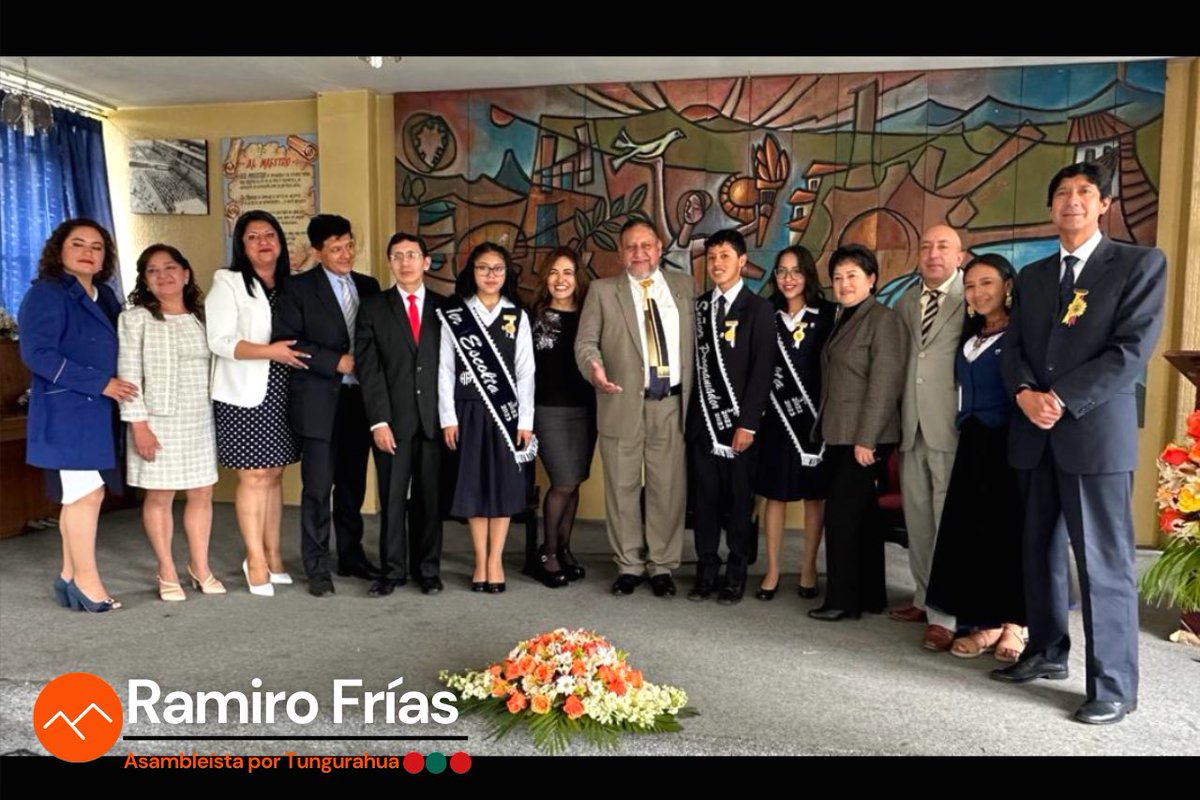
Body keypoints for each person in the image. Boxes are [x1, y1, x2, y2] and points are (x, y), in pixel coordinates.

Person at [994, 162, 1167, 725]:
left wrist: (1060, 399)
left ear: (1103, 205)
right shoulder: (1037, 275)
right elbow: (1013, 346)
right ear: (1052, 208)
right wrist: (1024, 394)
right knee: (1038, 551)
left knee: (1103, 564)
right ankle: (1046, 652)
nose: (1072, 200)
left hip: (1092, 436)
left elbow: (1129, 352)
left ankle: (1114, 686)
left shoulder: (1139, 265)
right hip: (1034, 434)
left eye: (1084, 192)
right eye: (1062, 192)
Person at [19, 219, 136, 612]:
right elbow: (37, 355)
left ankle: (70, 576)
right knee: (86, 494)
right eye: (78, 243)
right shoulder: (47, 293)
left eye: (97, 246)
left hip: (98, 411)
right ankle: (88, 583)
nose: (88, 251)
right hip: (67, 408)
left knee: (82, 495)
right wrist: (99, 383)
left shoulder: (103, 294)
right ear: (60, 250)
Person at [575, 220, 696, 598]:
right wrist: (594, 370)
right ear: (621, 251)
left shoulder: (685, 288)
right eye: (631, 247)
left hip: (672, 403)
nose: (639, 253)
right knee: (622, 486)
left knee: (667, 487)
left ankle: (662, 565)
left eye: (646, 245)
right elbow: (585, 342)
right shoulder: (602, 291)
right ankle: (628, 564)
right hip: (621, 400)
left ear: (660, 248)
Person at [273, 214, 381, 597]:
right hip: (319, 400)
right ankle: (317, 566)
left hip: (360, 401)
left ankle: (351, 555)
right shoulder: (298, 288)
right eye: (336, 248)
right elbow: (287, 343)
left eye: (349, 245)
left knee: (352, 486)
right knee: (318, 488)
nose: (346, 253)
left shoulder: (369, 285)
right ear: (317, 252)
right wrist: (335, 361)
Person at [925, 254, 1026, 662]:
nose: (977, 292)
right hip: (972, 444)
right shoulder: (970, 336)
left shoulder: (1021, 335)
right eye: (970, 286)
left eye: (986, 283)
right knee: (973, 533)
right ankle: (983, 624)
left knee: (1009, 534)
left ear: (1007, 286)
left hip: (1010, 445)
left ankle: (1016, 626)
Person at [207, 210, 307, 597]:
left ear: (280, 243)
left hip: (285, 389)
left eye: (270, 235)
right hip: (245, 393)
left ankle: (274, 552)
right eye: (253, 237)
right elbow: (219, 340)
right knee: (254, 476)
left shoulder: (291, 285)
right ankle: (255, 558)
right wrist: (270, 351)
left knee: (275, 475)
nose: (263, 242)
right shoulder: (228, 283)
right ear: (241, 245)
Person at [809, 244, 908, 622]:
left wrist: (866, 439)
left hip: (863, 437)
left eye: (852, 276)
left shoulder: (883, 319)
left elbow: (884, 384)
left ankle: (843, 600)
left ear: (872, 279)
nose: (844, 283)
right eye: (837, 277)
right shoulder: (846, 316)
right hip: (841, 433)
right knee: (864, 518)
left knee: (843, 517)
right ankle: (869, 595)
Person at [118, 244, 222, 601]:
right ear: (145, 280)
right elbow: (129, 376)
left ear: (186, 273)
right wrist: (138, 425)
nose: (163, 275)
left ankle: (200, 566)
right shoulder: (136, 319)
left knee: (201, 493)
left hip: (199, 418)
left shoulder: (203, 316)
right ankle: (166, 568)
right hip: (157, 420)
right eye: (153, 270)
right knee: (161, 495)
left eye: (171, 267)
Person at [438, 243, 536, 593]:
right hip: (468, 412)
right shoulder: (457, 315)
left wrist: (525, 420)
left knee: (503, 487)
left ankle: (496, 560)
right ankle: (480, 559)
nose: (491, 275)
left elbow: (526, 371)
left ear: (507, 272)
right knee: (474, 487)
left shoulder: (517, 316)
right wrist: (448, 417)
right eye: (483, 268)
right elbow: (445, 369)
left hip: (507, 417)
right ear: (471, 272)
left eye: (497, 268)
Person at [685, 229, 774, 605]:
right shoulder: (699, 307)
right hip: (703, 425)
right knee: (704, 501)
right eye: (712, 256)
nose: (718, 263)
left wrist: (748, 424)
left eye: (725, 256)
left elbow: (762, 370)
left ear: (742, 261)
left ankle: (736, 572)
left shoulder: (760, 309)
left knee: (739, 502)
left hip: (741, 429)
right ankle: (706, 569)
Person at [889, 225, 967, 652]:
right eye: (925, 246)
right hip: (911, 426)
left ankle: (946, 614)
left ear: (960, 255)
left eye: (943, 246)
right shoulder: (905, 302)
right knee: (917, 519)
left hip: (950, 427)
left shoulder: (970, 300)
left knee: (945, 523)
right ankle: (922, 595)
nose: (933, 253)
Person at [356, 232, 446, 596]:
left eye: (412, 255)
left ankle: (428, 571)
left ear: (426, 262)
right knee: (393, 498)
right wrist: (378, 420)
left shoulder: (446, 308)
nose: (405, 262)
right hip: (391, 421)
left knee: (429, 498)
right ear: (389, 263)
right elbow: (369, 367)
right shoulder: (373, 307)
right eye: (397, 256)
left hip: (433, 420)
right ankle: (392, 571)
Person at [753, 245, 835, 601]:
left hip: (813, 420)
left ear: (808, 275)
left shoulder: (828, 313)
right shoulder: (764, 311)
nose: (788, 279)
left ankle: (807, 569)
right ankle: (771, 569)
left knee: (814, 497)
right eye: (782, 271)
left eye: (796, 271)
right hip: (774, 419)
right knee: (774, 495)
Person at [530, 247, 595, 587]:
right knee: (563, 481)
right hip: (548, 409)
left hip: (586, 409)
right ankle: (548, 552)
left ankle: (566, 548)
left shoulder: (589, 314)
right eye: (554, 272)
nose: (560, 280)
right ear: (546, 278)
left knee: (576, 481)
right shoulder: (535, 316)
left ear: (577, 277)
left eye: (568, 272)